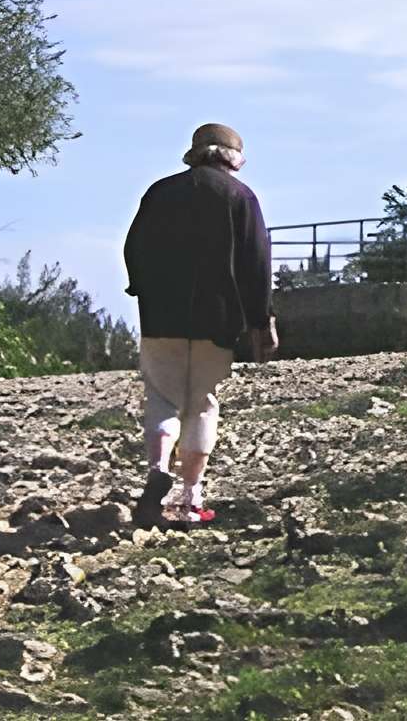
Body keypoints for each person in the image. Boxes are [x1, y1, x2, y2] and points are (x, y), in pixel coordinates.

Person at [121, 122, 274, 526]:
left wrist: (141, 288)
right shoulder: (241, 197)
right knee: (203, 402)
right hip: (218, 319)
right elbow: (256, 264)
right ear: (233, 159)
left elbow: (133, 246)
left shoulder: (160, 192)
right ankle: (190, 498)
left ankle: (158, 470)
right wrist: (261, 321)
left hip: (160, 316)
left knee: (163, 398)